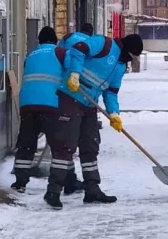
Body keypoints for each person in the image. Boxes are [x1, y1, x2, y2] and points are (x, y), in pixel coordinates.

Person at [58, 33, 144, 204]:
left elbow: (111, 92)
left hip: (90, 105)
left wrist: (114, 114)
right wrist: (75, 73)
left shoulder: (120, 66)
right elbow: (79, 49)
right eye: (132, 55)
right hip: (72, 96)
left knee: (90, 146)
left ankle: (92, 189)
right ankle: (55, 188)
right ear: (127, 49)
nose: (130, 59)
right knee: (66, 145)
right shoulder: (103, 43)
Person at [11, 27, 72, 210]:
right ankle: (56, 189)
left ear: (39, 40)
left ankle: (20, 182)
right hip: (51, 104)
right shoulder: (61, 53)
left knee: (27, 143)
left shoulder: (31, 55)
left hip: (28, 104)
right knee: (60, 147)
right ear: (55, 40)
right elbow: (71, 73)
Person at [51, 23, 95, 195]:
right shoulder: (90, 42)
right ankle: (68, 182)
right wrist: (74, 74)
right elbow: (74, 59)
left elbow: (60, 55)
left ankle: (68, 179)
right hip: (74, 92)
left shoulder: (68, 37)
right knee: (70, 141)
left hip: (62, 86)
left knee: (64, 143)